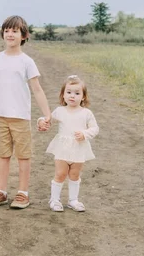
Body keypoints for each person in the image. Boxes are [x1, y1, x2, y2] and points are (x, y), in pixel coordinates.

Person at [0, 15, 51, 209]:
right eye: (7, 30)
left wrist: (47, 114)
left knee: (23, 155)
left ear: (24, 36)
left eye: (15, 31)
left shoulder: (27, 61)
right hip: (1, 116)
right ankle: (2, 191)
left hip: (20, 117)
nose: (10, 34)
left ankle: (22, 193)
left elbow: (37, 89)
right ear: (2, 34)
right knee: (3, 155)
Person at [38, 75, 99, 212]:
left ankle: (73, 200)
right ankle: (54, 200)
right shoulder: (60, 111)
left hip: (79, 148)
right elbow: (48, 120)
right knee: (60, 173)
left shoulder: (86, 113)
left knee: (75, 175)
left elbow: (95, 128)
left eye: (77, 93)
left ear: (83, 96)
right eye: (69, 92)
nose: (72, 96)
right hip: (62, 148)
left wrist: (85, 134)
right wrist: (42, 121)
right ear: (63, 95)